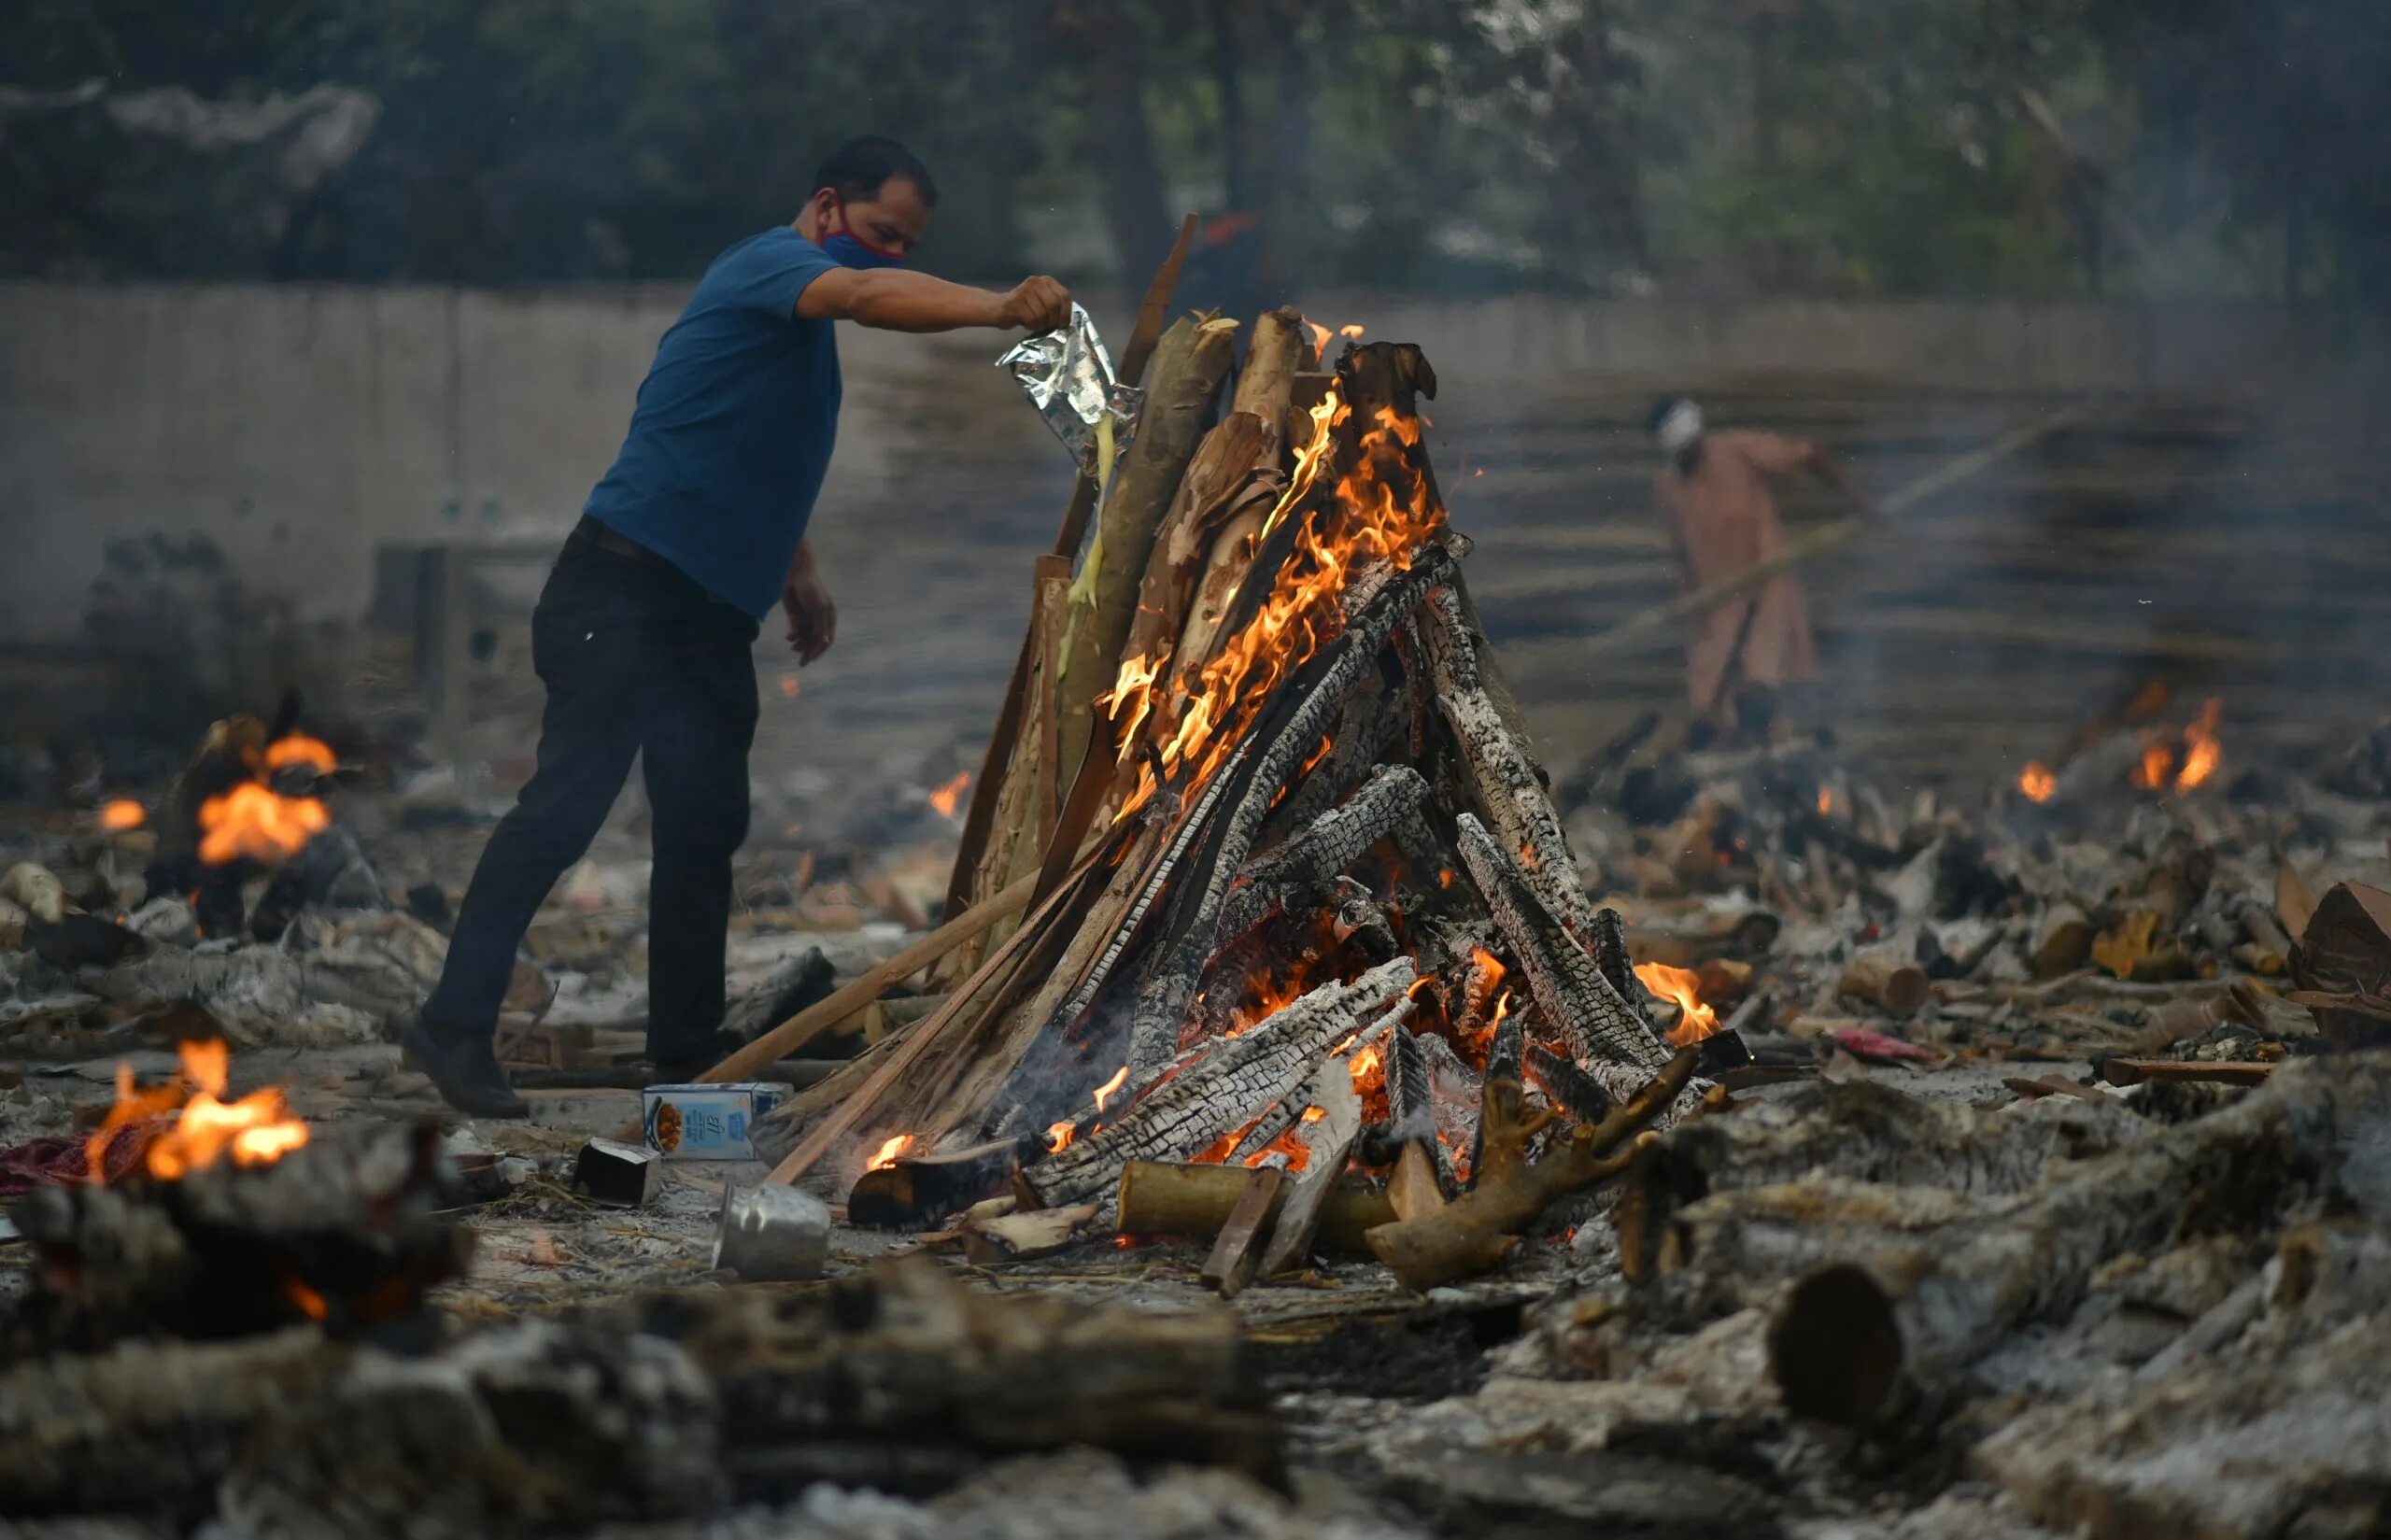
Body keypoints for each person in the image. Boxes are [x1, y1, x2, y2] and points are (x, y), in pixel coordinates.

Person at [404, 136, 1072, 1116]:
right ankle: (452, 1025)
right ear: (828, 208)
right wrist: (995, 306)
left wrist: (795, 569)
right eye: (881, 235)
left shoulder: (797, 332)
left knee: (704, 825)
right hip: (622, 586)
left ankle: (684, 1052)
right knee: (561, 813)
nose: (887, 258)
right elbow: (868, 299)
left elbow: (750, 448)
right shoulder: (777, 267)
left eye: (904, 244)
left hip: (705, 616)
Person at [1648, 396, 1872, 723]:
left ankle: (1779, 755)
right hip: (1715, 602)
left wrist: (1862, 503)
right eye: (1682, 455)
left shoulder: (1736, 449)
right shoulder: (1667, 487)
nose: (1690, 459)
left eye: (1693, 450)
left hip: (1766, 585)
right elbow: (1682, 552)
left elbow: (1808, 454)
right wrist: (1689, 606)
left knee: (1764, 683)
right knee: (1710, 696)